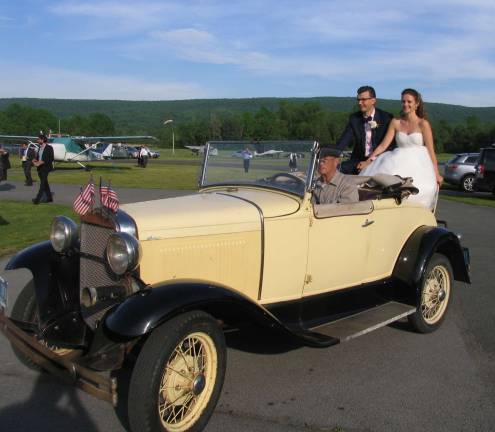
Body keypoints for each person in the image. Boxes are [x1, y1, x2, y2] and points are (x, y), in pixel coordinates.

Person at [358, 88, 443, 210]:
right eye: (403, 101)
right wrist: (368, 161)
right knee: (384, 186)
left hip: (419, 164)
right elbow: (383, 145)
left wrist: (437, 174)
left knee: (421, 190)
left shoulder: (423, 124)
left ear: (416, 104)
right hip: (397, 160)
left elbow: (431, 151)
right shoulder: (396, 122)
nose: (406, 104)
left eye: (409, 102)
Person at [337, 86, 394, 174]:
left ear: (373, 101)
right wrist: (332, 156)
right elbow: (343, 141)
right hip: (358, 160)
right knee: (336, 169)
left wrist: (370, 161)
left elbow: (389, 146)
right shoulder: (354, 118)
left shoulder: (386, 118)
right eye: (358, 100)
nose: (360, 103)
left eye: (363, 99)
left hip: (380, 159)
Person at [32, 134, 54, 204]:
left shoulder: (49, 148)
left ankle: (37, 199)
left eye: (38, 139)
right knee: (45, 183)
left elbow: (51, 158)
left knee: (42, 184)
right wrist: (35, 160)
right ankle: (49, 198)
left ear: (42, 140)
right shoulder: (39, 148)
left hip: (46, 168)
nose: (37, 140)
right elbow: (39, 157)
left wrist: (42, 162)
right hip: (40, 168)